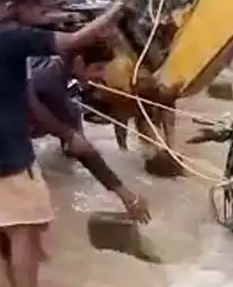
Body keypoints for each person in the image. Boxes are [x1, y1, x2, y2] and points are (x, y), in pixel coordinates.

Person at [0, 0, 135, 287]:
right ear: (10, 7)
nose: (46, 18)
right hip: (9, 150)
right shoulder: (16, 40)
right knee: (24, 229)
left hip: (13, 146)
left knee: (26, 230)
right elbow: (70, 42)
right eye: (40, 10)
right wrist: (116, 10)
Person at [26, 47, 151, 223]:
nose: (101, 76)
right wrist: (125, 194)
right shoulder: (49, 82)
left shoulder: (49, 64)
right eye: (98, 68)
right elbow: (85, 153)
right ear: (78, 62)